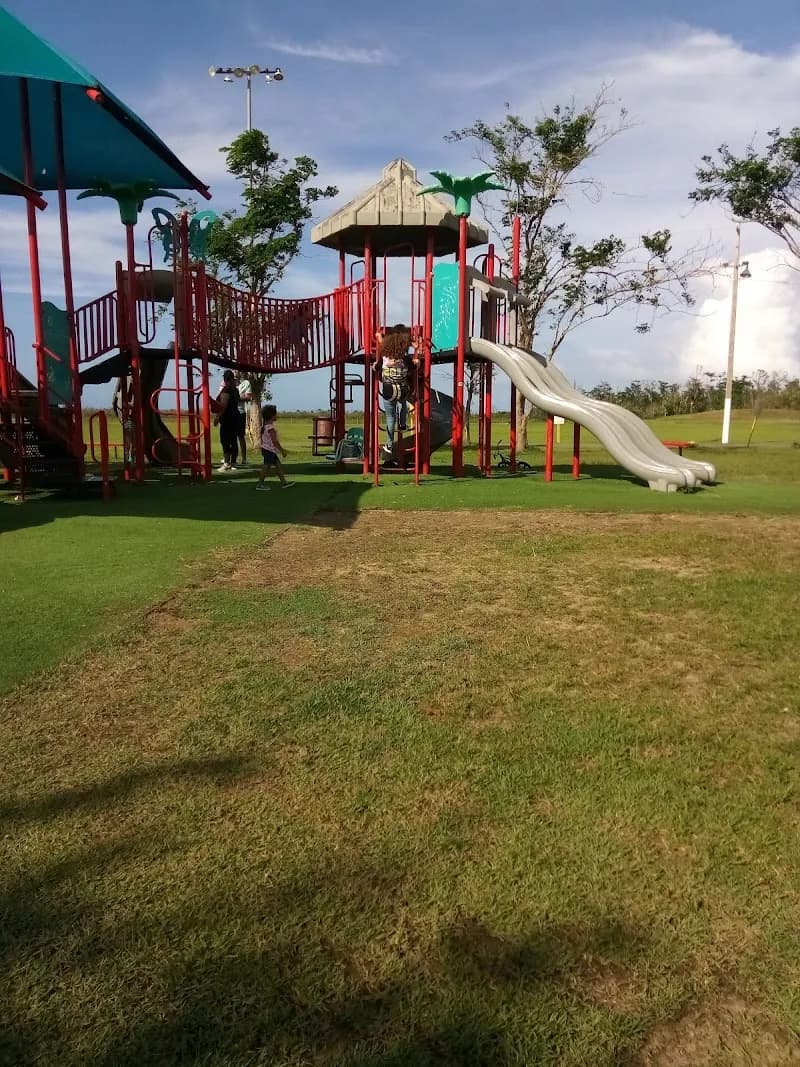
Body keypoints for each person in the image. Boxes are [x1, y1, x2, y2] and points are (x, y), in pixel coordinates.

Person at [373, 325, 420, 456]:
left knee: (390, 416)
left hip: (388, 390)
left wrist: (379, 337)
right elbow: (415, 366)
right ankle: (403, 424)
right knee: (403, 403)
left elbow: (376, 367)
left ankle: (389, 443)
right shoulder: (405, 359)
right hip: (402, 388)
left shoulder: (384, 357)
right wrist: (417, 351)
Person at [256, 404, 294, 490]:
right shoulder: (270, 428)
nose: (277, 415)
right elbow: (275, 441)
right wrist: (282, 450)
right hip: (269, 450)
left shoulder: (265, 427)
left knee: (278, 465)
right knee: (266, 466)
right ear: (271, 416)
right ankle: (260, 484)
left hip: (269, 450)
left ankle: (284, 482)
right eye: (275, 414)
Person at [213, 369, 240, 470]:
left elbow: (223, 405)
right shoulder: (235, 390)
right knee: (233, 440)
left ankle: (227, 463)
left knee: (224, 440)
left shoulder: (226, 390)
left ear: (224, 379)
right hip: (235, 417)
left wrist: (217, 417)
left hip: (227, 419)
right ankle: (233, 463)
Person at [235, 371, 251, 465]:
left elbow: (248, 397)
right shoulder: (225, 382)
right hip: (229, 413)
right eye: (234, 370)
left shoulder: (246, 383)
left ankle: (244, 459)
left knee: (240, 436)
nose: (235, 372)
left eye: (237, 371)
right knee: (230, 437)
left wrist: (236, 398)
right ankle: (231, 459)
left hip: (240, 412)